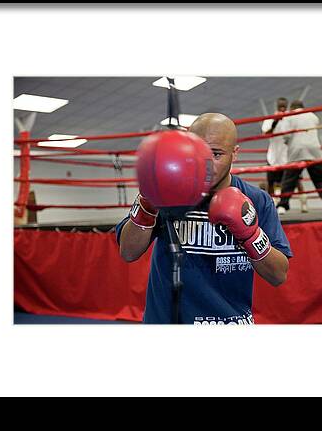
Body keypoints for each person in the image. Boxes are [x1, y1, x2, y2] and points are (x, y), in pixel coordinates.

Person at [116, 113, 293, 324]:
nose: (207, 164)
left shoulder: (256, 199)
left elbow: (278, 275)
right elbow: (128, 252)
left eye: (216, 154)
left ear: (235, 154)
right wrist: (147, 203)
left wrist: (251, 235)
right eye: (199, 153)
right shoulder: (168, 191)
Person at [276, 100, 322, 214]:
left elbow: (286, 135)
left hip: (296, 149)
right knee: (321, 178)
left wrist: (287, 142)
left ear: (292, 108)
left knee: (290, 179)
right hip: (314, 149)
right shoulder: (312, 116)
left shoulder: (289, 116)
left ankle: (282, 206)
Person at [261, 97, 308, 212]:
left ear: (286, 106)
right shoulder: (270, 119)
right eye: (280, 106)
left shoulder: (291, 118)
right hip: (273, 155)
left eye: (284, 106)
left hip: (289, 154)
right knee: (271, 182)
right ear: (277, 106)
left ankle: (304, 203)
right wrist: (276, 121)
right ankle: (270, 206)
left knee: (296, 181)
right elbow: (266, 133)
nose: (282, 108)